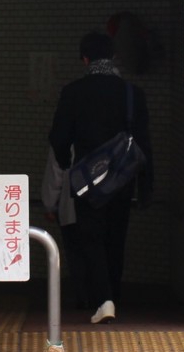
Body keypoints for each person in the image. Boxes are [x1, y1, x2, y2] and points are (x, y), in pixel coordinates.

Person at [49, 30, 151, 324]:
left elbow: (58, 137)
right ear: (113, 57)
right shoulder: (133, 94)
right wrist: (146, 186)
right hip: (122, 180)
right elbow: (145, 145)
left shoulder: (73, 92)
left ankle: (103, 300)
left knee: (90, 239)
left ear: (84, 59)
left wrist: (67, 163)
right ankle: (113, 298)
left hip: (86, 181)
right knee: (115, 238)